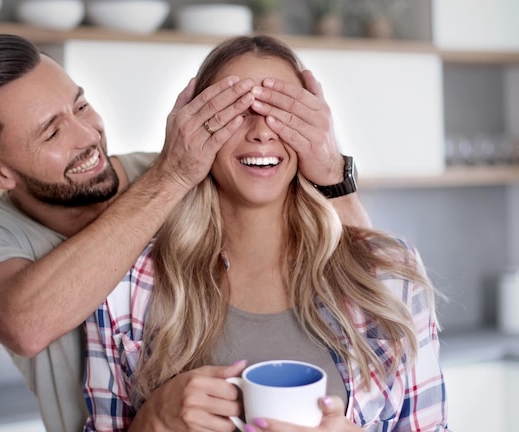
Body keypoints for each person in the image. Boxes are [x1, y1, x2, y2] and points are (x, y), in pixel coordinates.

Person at [0, 34, 371, 432]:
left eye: (82, 106)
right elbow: (26, 325)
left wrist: (332, 172)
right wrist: (172, 175)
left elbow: (373, 290)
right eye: (52, 131)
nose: (89, 136)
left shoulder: (194, 171)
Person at [83, 35, 449, 432]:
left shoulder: (390, 270)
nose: (261, 132)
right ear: (195, 130)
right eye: (235, 111)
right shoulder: (125, 285)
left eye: (282, 112)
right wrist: (152, 420)